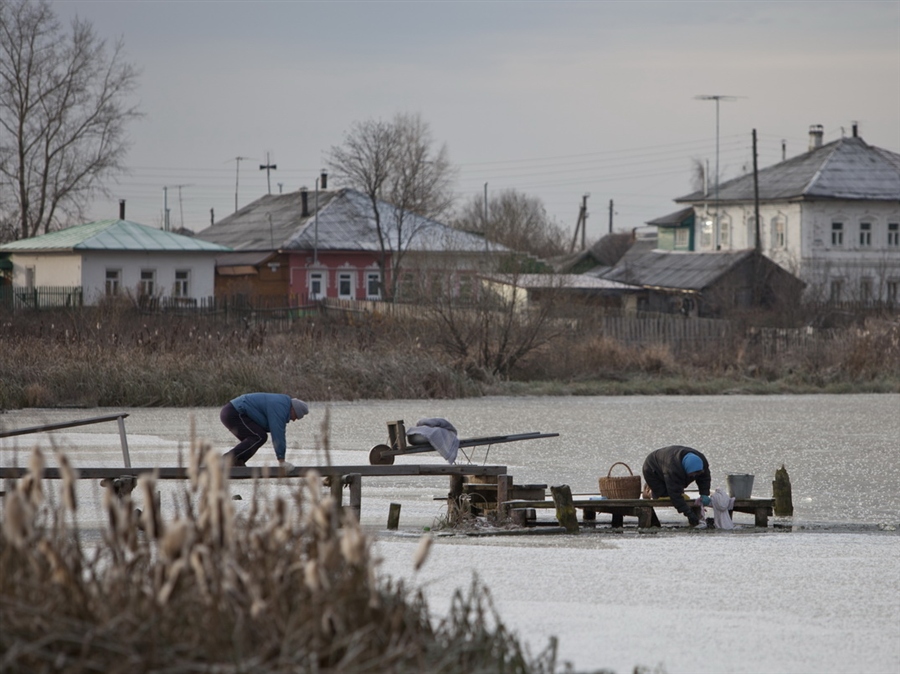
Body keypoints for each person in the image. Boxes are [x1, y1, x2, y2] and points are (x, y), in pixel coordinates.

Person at [220, 393, 308, 467]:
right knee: (258, 437)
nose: (294, 420)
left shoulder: (282, 404)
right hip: (234, 412)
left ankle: (237, 461)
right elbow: (278, 434)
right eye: (296, 416)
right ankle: (226, 459)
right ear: (293, 409)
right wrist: (282, 461)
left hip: (230, 412)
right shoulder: (281, 407)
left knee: (258, 438)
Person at [642, 445, 711, 526]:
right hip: (652, 469)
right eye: (692, 474)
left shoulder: (702, 462)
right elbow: (675, 494)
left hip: (670, 466)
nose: (694, 476)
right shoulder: (673, 469)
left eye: (697, 474)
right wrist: (688, 513)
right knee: (664, 495)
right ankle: (649, 490)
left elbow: (705, 478)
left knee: (678, 489)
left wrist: (704, 493)